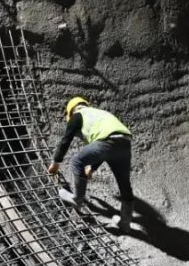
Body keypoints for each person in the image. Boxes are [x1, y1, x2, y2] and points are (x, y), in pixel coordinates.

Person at [48, 97, 135, 232]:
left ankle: (77, 199)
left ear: (71, 111)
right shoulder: (98, 113)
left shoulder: (77, 115)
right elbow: (104, 148)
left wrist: (56, 162)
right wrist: (92, 169)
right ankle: (125, 224)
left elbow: (66, 140)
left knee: (77, 161)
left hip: (106, 141)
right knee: (124, 184)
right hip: (125, 143)